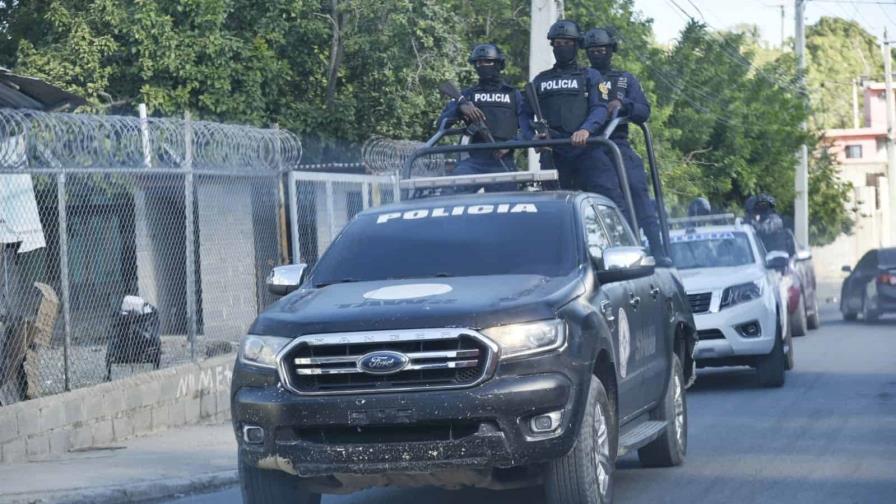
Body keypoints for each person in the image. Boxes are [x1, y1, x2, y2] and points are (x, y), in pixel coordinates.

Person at [522, 20, 627, 214]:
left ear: (577, 45)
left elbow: (600, 108)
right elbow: (524, 112)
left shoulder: (591, 76)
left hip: (587, 149)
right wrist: (532, 138)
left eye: (567, 43)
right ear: (552, 46)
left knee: (612, 201)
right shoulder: (540, 80)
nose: (562, 47)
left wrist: (586, 129)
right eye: (557, 43)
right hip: (553, 152)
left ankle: (628, 242)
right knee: (554, 209)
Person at [585, 26, 665, 260]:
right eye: (593, 50)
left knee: (638, 190)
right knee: (607, 200)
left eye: (602, 49)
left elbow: (643, 110)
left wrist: (624, 104)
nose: (598, 54)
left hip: (618, 143)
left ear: (611, 50)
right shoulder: (583, 78)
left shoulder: (624, 79)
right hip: (589, 147)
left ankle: (658, 250)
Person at [436, 43, 527, 192]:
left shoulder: (513, 95)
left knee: (507, 205)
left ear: (498, 64)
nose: (482, 65)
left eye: (487, 61)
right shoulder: (467, 95)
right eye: (478, 62)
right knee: (450, 192)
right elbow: (442, 124)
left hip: (503, 161)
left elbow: (527, 129)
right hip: (475, 162)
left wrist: (509, 145)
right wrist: (461, 107)